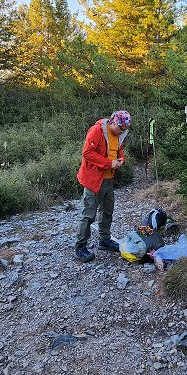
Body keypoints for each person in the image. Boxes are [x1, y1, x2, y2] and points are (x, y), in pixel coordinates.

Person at [74, 110, 131, 262]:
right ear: (112, 122)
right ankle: (80, 248)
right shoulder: (97, 130)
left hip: (109, 179)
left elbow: (119, 150)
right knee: (88, 215)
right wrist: (109, 163)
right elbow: (87, 153)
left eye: (125, 129)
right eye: (120, 128)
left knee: (107, 211)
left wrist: (121, 159)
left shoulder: (120, 134)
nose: (122, 131)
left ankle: (104, 240)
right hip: (93, 180)